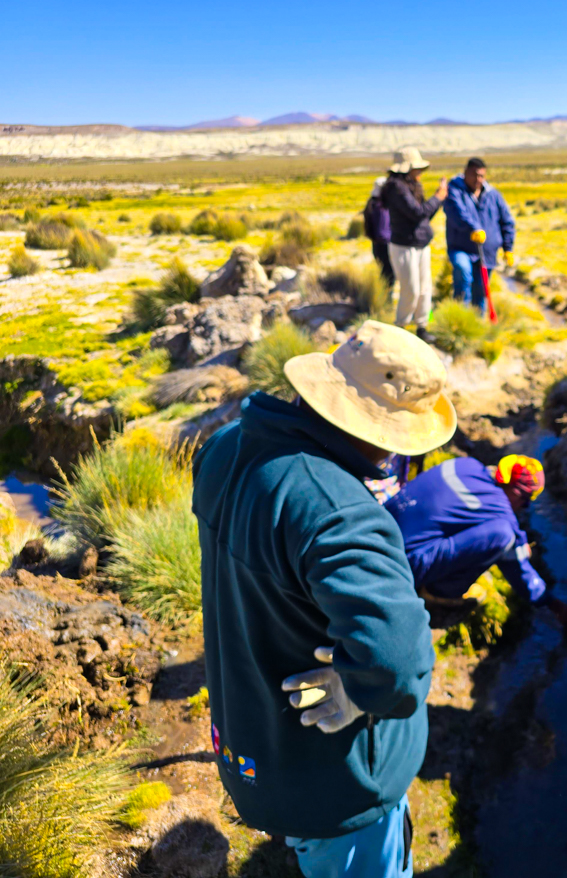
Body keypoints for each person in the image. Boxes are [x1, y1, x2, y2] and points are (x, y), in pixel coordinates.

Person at [194, 320, 457, 877]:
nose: (394, 455)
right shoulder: (341, 513)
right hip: (339, 786)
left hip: (255, 743)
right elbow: (399, 663)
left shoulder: (225, 447)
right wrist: (363, 689)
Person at [384, 454, 567, 629]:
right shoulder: (501, 515)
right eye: (526, 502)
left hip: (380, 531)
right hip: (399, 567)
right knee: (503, 536)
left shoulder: (466, 464)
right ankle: (438, 593)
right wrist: (553, 604)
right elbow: (519, 570)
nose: (523, 507)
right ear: (517, 493)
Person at [382, 148, 449, 343]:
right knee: (410, 288)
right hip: (404, 247)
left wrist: (438, 199)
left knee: (424, 288)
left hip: (420, 245)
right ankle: (401, 327)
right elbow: (418, 213)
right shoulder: (396, 188)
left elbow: (423, 216)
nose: (420, 173)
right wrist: (438, 196)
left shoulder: (411, 187)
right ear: (407, 169)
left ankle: (422, 325)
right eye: (417, 169)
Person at [443, 157, 516, 313]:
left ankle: (477, 326)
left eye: (481, 176)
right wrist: (473, 228)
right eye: (475, 175)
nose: (478, 179)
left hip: (487, 254)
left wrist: (508, 248)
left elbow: (507, 221)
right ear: (465, 173)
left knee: (481, 291)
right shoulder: (455, 191)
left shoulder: (494, 195)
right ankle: (460, 319)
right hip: (461, 247)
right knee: (463, 274)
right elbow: (456, 212)